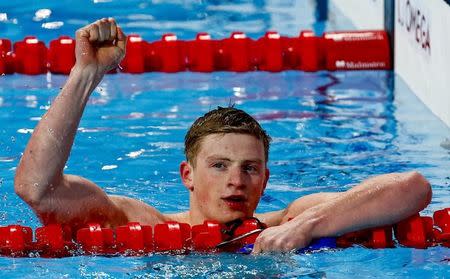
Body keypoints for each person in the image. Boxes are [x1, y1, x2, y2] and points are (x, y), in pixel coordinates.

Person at [14, 18, 432, 253]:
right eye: (219, 165)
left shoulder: (290, 222)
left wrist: (309, 226)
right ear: (187, 175)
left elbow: (411, 187)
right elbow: (37, 190)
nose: (237, 180)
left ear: (266, 179)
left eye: (250, 168)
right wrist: (84, 75)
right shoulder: (138, 224)